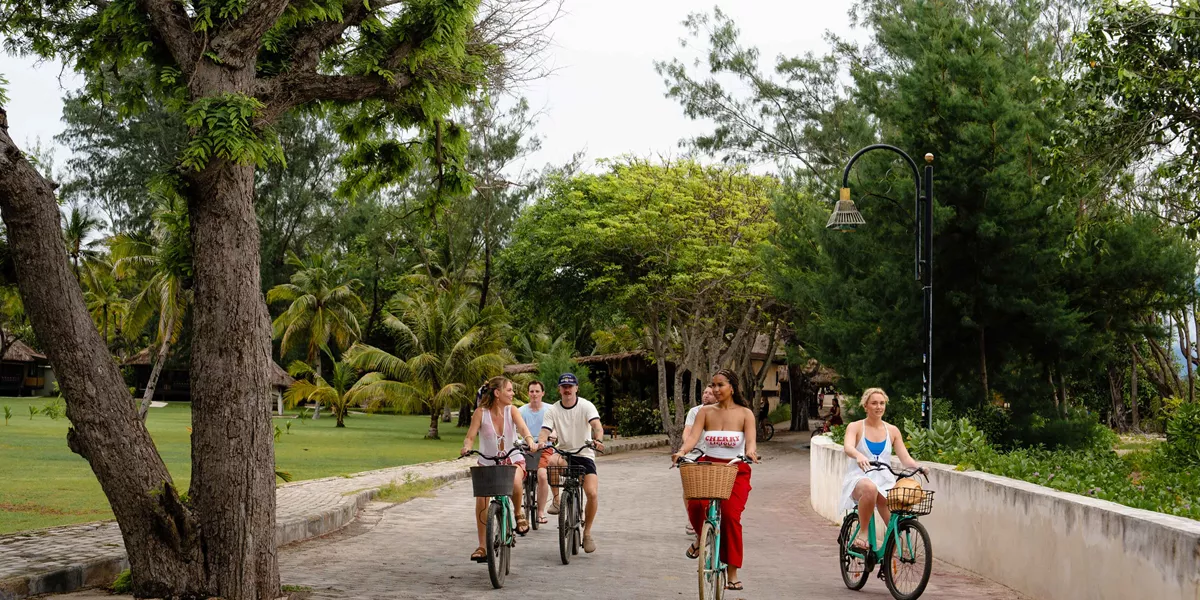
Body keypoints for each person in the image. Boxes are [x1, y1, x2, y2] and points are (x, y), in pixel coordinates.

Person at [672, 369, 760, 593]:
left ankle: (732, 572)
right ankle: (703, 541)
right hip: (708, 465)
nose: (715, 390)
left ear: (732, 387)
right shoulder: (705, 412)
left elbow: (751, 442)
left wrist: (750, 453)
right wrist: (682, 451)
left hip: (735, 469)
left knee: (730, 516)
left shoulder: (745, 414)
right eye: (713, 385)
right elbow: (692, 438)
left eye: (720, 385)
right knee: (694, 504)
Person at [461, 376, 539, 562]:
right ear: (497, 393)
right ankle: (482, 546)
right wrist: (466, 447)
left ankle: (518, 514)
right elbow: (470, 436)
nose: (513, 394)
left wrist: (530, 441)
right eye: (509, 390)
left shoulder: (511, 410)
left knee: (514, 480)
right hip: (487, 463)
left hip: (512, 460)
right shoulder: (481, 413)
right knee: (481, 500)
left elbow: (523, 429)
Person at [839, 387, 925, 552]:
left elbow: (905, 458)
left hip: (884, 480)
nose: (878, 407)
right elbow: (848, 447)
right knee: (870, 489)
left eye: (881, 403)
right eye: (874, 403)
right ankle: (863, 533)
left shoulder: (892, 431)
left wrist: (918, 467)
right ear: (865, 406)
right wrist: (858, 455)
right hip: (859, 477)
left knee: (894, 527)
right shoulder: (855, 427)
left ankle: (888, 563)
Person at [538, 372, 606, 553]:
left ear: (576, 388)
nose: (567, 390)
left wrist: (597, 440)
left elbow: (597, 426)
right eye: (564, 386)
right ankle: (557, 500)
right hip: (564, 453)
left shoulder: (586, 406)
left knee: (591, 493)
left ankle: (588, 533)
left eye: (570, 386)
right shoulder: (553, 409)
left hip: (584, 454)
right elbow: (545, 430)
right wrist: (541, 442)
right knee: (551, 460)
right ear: (559, 389)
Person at [682, 385, 718, 535]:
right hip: (694, 453)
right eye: (704, 393)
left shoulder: (722, 413)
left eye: (710, 393)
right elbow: (688, 431)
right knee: (688, 488)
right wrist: (686, 447)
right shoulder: (694, 411)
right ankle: (692, 519)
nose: (706, 396)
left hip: (713, 454)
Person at [519, 380, 551, 525]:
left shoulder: (550, 410)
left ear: (542, 393)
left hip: (545, 448)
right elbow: (515, 428)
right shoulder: (521, 411)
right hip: (525, 448)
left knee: (542, 475)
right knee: (517, 476)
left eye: (537, 391)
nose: (534, 394)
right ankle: (518, 512)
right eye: (531, 391)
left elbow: (555, 426)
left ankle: (540, 511)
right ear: (528, 393)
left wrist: (553, 435)